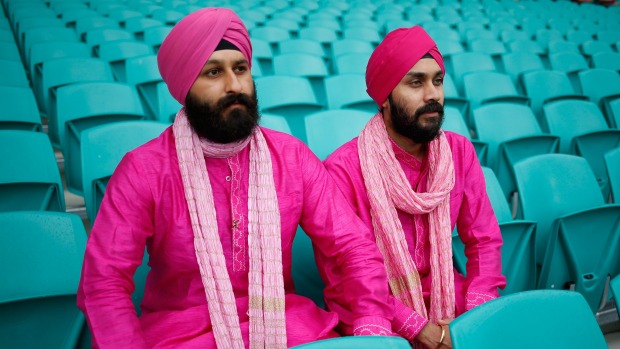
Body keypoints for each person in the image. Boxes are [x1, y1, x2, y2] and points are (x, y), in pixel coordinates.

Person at [77, 8, 396, 348]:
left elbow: (352, 247)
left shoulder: (291, 157)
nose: (234, 85)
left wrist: (371, 324)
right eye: (213, 72)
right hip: (181, 335)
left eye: (240, 69)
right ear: (186, 86)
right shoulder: (144, 169)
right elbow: (104, 281)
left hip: (289, 329)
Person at [321, 26, 507, 348]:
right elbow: (346, 278)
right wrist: (421, 328)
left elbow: (484, 241)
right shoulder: (343, 170)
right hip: (375, 307)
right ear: (385, 99)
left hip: (448, 295)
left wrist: (474, 316)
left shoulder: (458, 152)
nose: (432, 94)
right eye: (416, 82)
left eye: (437, 80)